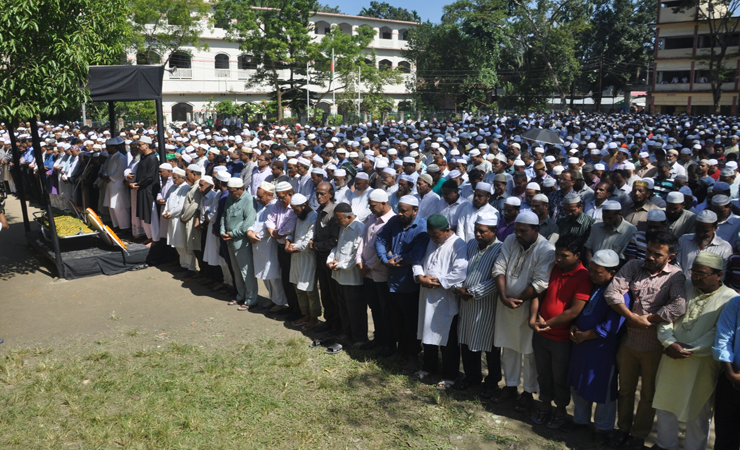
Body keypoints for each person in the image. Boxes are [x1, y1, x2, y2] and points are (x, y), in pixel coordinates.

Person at [605, 231, 687, 449]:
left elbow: (679, 306)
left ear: (670, 256)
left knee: (648, 395)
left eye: (657, 254)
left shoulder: (676, 276)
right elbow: (612, 293)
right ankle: (622, 428)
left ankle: (638, 434)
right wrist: (631, 317)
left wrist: (648, 318)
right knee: (625, 390)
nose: (650, 257)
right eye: (649, 251)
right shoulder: (633, 267)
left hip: (654, 346)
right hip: (629, 342)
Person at [653, 252, 736, 450]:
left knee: (698, 413)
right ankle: (665, 446)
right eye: (694, 272)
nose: (695, 277)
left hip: (702, 364)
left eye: (702, 274)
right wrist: (669, 343)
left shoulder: (730, 298)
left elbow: (720, 332)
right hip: (671, 357)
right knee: (665, 406)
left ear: (719, 275)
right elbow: (666, 316)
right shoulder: (684, 286)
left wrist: (691, 348)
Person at [491, 211, 556, 413]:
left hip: (529, 307)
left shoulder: (546, 249)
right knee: (509, 347)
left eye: (523, 231)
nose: (518, 234)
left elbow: (540, 283)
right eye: (517, 229)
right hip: (506, 304)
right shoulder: (511, 239)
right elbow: (499, 267)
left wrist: (516, 300)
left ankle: (528, 392)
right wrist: (503, 297)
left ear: (536, 229)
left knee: (528, 352)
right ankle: (510, 386)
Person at [529, 235, 592, 429]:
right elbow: (538, 293)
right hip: (541, 333)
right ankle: (545, 405)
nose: (558, 259)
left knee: (560, 376)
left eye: (564, 256)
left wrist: (548, 323)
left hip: (562, 338)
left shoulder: (583, 277)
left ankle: (561, 409)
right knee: (543, 373)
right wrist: (533, 317)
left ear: (577, 255)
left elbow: (574, 310)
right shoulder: (553, 268)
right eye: (557, 254)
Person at [568, 249, 630, 444]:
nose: (592, 274)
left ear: (612, 273)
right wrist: (575, 326)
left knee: (602, 389)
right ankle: (580, 420)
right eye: (591, 270)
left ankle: (603, 428)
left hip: (602, 349)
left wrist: (587, 335)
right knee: (579, 382)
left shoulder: (620, 293)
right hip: (582, 345)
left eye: (597, 271)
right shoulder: (593, 285)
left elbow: (612, 325)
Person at [375, 195, 430, 370]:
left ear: (415, 211)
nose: (400, 213)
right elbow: (380, 240)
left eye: (404, 210)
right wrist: (385, 259)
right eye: (399, 209)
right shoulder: (394, 221)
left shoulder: (421, 228)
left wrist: (392, 256)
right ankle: (399, 351)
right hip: (392, 281)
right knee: (394, 319)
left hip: (409, 285)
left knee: (410, 323)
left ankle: (412, 356)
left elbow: (415, 255)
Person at [413, 214, 468, 389]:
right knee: (427, 333)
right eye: (430, 235)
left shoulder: (459, 244)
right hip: (426, 295)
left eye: (436, 236)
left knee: (447, 339)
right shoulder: (431, 240)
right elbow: (418, 261)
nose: (433, 239)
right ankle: (429, 367)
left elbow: (460, 272)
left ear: (446, 230)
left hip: (445, 298)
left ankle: (450, 375)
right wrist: (420, 277)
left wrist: (436, 282)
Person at [454, 211, 503, 394]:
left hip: (486, 305)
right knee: (466, 341)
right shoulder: (471, 244)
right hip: (466, 303)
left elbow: (498, 279)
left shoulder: (501, 249)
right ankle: (472, 376)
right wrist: (459, 287)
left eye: (482, 231)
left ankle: (492, 382)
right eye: (476, 230)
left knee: (489, 345)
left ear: (493, 231)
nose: (478, 234)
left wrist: (474, 292)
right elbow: (460, 267)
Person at [359, 189, 396, 355]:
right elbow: (362, 240)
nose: (370, 208)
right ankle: (378, 338)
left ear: (383, 203)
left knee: (385, 310)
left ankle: (389, 343)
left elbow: (386, 247)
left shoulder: (391, 221)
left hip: (380, 273)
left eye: (373, 205)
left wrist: (369, 265)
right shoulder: (372, 218)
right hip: (367, 272)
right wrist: (359, 261)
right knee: (374, 307)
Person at [328, 202, 368, 346]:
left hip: (352, 277)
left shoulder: (360, 228)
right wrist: (331, 260)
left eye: (339, 219)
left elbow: (357, 254)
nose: (337, 222)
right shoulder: (343, 227)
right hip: (339, 276)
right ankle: (348, 333)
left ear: (349, 216)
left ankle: (360, 338)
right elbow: (337, 247)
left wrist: (340, 265)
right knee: (343, 308)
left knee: (355, 310)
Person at [246, 181, 287, 312]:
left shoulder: (274, 206)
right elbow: (253, 221)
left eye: (260, 196)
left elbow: (271, 226)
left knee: (273, 275)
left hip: (268, 245)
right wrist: (250, 232)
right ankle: (272, 298)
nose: (258, 199)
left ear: (269, 195)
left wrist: (255, 236)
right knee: (264, 275)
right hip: (258, 245)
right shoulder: (260, 205)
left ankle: (279, 302)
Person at [220, 178, 258, 309]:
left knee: (246, 271)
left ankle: (251, 299)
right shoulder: (231, 198)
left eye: (232, 191)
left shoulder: (248, 200)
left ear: (240, 189)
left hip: (241, 242)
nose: (230, 194)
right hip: (229, 240)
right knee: (236, 271)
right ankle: (240, 295)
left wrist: (232, 234)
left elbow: (248, 222)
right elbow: (224, 215)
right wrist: (223, 231)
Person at [286, 193, 320, 329]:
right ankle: (305, 314)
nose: (294, 212)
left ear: (304, 206)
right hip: (296, 257)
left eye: (296, 209)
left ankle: (314, 317)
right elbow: (291, 231)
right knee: (298, 288)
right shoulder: (299, 216)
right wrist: (288, 242)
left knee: (309, 289)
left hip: (307, 257)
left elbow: (308, 241)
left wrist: (293, 248)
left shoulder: (314, 217)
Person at [310, 182, 341, 334]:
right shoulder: (320, 210)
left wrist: (316, 245)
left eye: (323, 194)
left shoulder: (334, 212)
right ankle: (329, 320)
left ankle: (337, 323)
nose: (319, 196)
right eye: (317, 194)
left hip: (329, 257)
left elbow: (334, 239)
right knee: (325, 291)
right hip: (320, 256)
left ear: (331, 194)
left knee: (333, 292)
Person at [712, 292, 740, 450]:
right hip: (731, 381)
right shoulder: (736, 304)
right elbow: (723, 337)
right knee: (726, 438)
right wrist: (730, 372)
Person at [675, 210, 733, 277]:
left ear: (715, 228)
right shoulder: (684, 240)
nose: (701, 234)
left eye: (705, 231)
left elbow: (722, 274)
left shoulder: (724, 247)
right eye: (698, 230)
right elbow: (677, 264)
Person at [584, 200, 637, 265]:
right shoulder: (596, 226)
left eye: (610, 218)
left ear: (620, 215)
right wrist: (591, 266)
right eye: (604, 217)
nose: (606, 221)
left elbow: (623, 259)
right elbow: (589, 248)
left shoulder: (630, 230)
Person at [129, 136, 160, 245]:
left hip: (149, 190)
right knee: (143, 214)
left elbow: (150, 176)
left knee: (151, 214)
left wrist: (138, 184)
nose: (138, 147)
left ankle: (155, 239)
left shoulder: (152, 158)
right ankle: (149, 236)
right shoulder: (143, 157)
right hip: (142, 188)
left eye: (140, 145)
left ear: (147, 145)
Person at [162, 167, 192, 271]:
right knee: (176, 243)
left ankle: (188, 265)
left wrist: (171, 213)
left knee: (182, 243)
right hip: (171, 218)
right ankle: (183, 263)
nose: (173, 180)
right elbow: (168, 200)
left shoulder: (186, 188)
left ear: (182, 178)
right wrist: (165, 211)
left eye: (175, 178)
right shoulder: (173, 187)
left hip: (179, 219)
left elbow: (181, 205)